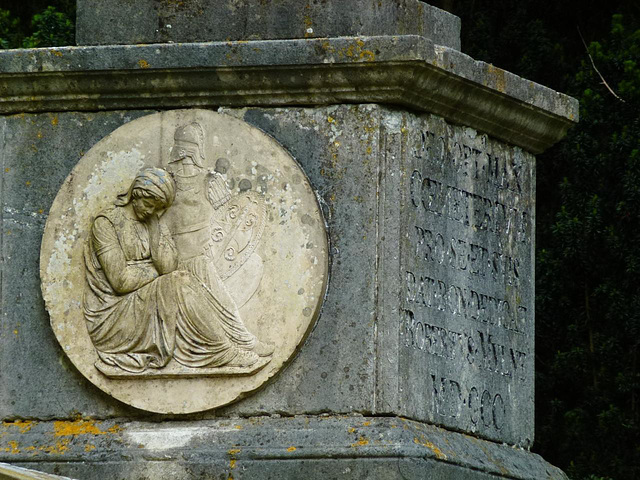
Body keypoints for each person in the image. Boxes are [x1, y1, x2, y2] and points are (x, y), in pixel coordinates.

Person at [83, 167, 263, 374]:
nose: (152, 211)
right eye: (150, 204)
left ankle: (240, 336)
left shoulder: (153, 222)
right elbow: (121, 281)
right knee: (177, 280)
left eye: (158, 208)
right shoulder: (106, 224)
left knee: (199, 265)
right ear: (136, 194)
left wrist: (153, 229)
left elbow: (168, 266)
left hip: (143, 294)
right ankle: (223, 351)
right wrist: (158, 272)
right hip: (115, 314)